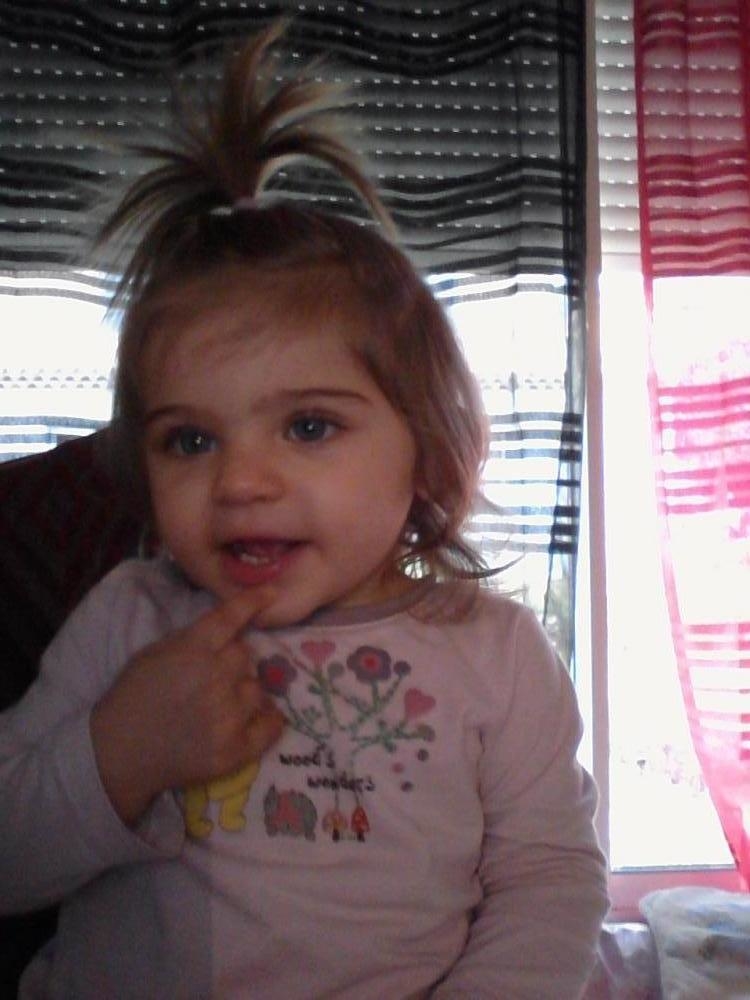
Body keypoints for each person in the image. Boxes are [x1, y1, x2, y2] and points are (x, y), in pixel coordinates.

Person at [0, 21, 608, 999]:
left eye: (309, 426)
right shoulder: (131, 616)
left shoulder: (495, 653)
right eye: (190, 440)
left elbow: (549, 877)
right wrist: (119, 751)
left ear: (424, 449)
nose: (240, 481)